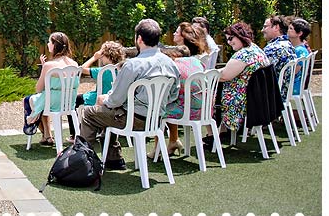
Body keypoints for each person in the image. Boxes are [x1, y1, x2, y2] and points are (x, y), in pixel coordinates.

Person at [76, 18, 179, 171]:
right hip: (156, 120)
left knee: (89, 113)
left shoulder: (133, 65)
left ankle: (83, 163)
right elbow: (173, 95)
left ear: (139, 39)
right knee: (109, 113)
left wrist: (105, 99)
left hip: (132, 120)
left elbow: (115, 100)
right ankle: (113, 159)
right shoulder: (170, 63)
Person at [154, 22, 208, 157]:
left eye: (177, 32)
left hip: (187, 111)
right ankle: (174, 140)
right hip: (204, 109)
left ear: (184, 37)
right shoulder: (197, 61)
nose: (173, 34)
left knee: (158, 108)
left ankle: (157, 149)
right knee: (172, 101)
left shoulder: (177, 64)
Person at [22, 32, 78, 147]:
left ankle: (43, 133)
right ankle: (47, 135)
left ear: (54, 45)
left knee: (33, 100)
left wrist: (44, 69)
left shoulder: (49, 66)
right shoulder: (74, 64)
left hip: (52, 103)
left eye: (49, 42)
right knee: (44, 99)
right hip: (68, 103)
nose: (48, 44)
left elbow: (38, 89)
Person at [215, 22, 270, 137]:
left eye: (231, 38)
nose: (229, 42)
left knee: (207, 99)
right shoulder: (256, 49)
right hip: (259, 97)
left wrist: (207, 75)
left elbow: (225, 76)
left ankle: (216, 134)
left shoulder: (243, 54)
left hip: (242, 100)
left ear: (241, 35)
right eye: (227, 40)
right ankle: (222, 132)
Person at [261, 15, 297, 105]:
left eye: (265, 27)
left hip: (272, 97)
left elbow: (258, 72)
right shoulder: (288, 45)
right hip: (283, 93)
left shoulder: (273, 49)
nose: (262, 30)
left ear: (276, 27)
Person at [287, 17, 312, 97]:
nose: (288, 30)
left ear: (299, 33)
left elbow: (294, 72)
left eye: (291, 29)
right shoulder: (298, 48)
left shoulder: (300, 51)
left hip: (294, 86)